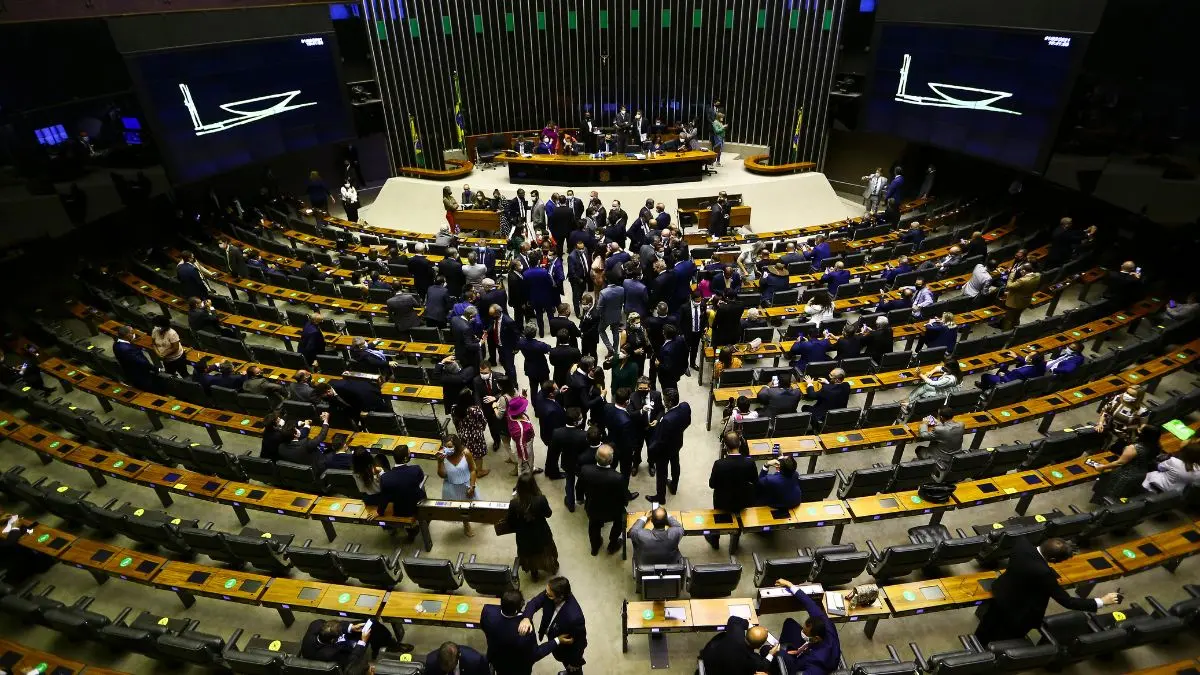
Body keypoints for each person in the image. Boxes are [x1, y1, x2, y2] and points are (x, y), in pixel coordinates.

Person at [974, 537, 1120, 647]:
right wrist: (1102, 601)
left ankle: (977, 643)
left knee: (988, 623)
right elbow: (1068, 602)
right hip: (1019, 609)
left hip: (1001, 593)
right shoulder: (1044, 574)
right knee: (1007, 636)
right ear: (1053, 559)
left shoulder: (1021, 544)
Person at [518, 577, 587, 673]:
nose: (545, 595)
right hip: (554, 638)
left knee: (573, 670)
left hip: (565, 651)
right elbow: (534, 603)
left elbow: (580, 643)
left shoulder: (575, 618)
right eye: (546, 592)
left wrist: (574, 663)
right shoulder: (550, 591)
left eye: (550, 595)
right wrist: (526, 618)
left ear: (560, 597)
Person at [773, 579, 841, 675]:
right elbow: (809, 603)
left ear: (816, 638)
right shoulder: (825, 622)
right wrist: (790, 585)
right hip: (809, 649)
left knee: (770, 651)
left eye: (805, 633)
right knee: (790, 623)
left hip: (802, 663)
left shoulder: (817, 663)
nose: (802, 632)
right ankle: (786, 647)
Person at [481, 589, 557, 675]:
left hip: (496, 661)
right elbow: (534, 654)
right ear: (516, 610)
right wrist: (556, 641)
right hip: (518, 669)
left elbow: (483, 627)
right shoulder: (525, 630)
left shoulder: (487, 611)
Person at [705, 432, 757, 552]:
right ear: (739, 444)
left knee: (717, 517)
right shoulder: (749, 462)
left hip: (723, 501)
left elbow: (712, 485)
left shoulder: (719, 464)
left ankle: (715, 540)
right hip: (743, 500)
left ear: (725, 446)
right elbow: (755, 481)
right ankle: (735, 542)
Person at [579, 445, 632, 555]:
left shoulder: (585, 470)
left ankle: (595, 547)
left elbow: (579, 487)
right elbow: (624, 496)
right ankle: (613, 544)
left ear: (596, 457)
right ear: (611, 460)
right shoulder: (618, 477)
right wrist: (625, 502)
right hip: (612, 511)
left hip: (593, 507)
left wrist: (580, 498)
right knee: (621, 519)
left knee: (593, 525)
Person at [506, 473, 559, 580]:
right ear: (534, 485)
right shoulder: (541, 499)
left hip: (524, 537)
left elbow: (510, 522)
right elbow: (548, 514)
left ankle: (534, 573)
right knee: (546, 552)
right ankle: (552, 568)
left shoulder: (514, 503)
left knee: (529, 555)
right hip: (542, 534)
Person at [1091, 423, 1160, 504]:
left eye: (1140, 429)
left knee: (1113, 494)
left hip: (1125, 475)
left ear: (1143, 434)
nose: (1137, 429)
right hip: (1140, 475)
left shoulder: (1134, 448)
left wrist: (1102, 467)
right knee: (1125, 495)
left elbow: (1120, 463)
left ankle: (1105, 507)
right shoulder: (1156, 447)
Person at [646, 388, 689, 503]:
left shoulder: (666, 420)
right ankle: (674, 486)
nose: (663, 401)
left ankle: (660, 497)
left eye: (664, 400)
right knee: (675, 464)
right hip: (677, 443)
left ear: (669, 402)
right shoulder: (685, 406)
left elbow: (660, 440)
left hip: (664, 449)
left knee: (661, 472)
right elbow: (688, 422)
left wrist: (651, 449)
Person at [698, 613, 776, 675]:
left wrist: (751, 627)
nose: (766, 629)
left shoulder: (735, 634)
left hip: (709, 662)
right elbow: (763, 666)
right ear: (758, 646)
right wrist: (771, 653)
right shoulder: (754, 660)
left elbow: (733, 619)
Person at [301, 619, 399, 666]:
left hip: (337, 642)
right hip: (344, 651)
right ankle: (377, 649)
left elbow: (338, 625)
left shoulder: (317, 623)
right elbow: (351, 660)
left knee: (372, 623)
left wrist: (351, 627)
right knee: (368, 636)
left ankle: (388, 643)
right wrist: (362, 642)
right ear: (333, 640)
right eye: (340, 633)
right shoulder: (329, 654)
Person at [375, 446, 426, 536]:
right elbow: (420, 479)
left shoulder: (385, 477)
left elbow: (385, 497)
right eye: (409, 453)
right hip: (417, 505)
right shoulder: (416, 469)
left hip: (400, 509)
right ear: (405, 458)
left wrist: (379, 511)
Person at [554, 409, 588, 512]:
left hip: (567, 462)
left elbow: (555, 451)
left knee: (569, 482)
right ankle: (580, 498)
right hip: (580, 464)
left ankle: (570, 504)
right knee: (582, 481)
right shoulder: (584, 435)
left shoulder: (558, 432)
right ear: (576, 422)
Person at [452, 388, 490, 478]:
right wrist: (482, 428)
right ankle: (479, 471)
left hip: (463, 434)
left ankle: (470, 468)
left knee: (467, 451)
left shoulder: (454, 408)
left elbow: (454, 421)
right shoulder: (475, 409)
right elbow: (483, 421)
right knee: (478, 454)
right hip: (475, 435)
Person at [1097, 385, 1148, 451]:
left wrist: (1140, 429)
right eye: (1127, 392)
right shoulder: (1117, 398)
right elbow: (1106, 411)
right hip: (1108, 427)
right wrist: (1100, 423)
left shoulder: (1142, 410)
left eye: (1131, 395)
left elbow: (1143, 424)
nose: (1127, 395)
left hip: (1124, 436)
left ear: (1138, 397)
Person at [112, 325, 158, 391]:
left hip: (129, 372)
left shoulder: (116, 344)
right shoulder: (127, 349)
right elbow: (142, 362)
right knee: (150, 389)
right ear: (127, 335)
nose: (134, 334)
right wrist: (156, 369)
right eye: (132, 333)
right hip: (140, 375)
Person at [1001, 262, 1040, 329]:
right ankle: (1015, 330)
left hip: (1014, 303)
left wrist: (1012, 274)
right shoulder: (1037, 275)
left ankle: (1006, 333)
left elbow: (1009, 286)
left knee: (1009, 319)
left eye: (1021, 270)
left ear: (1024, 271)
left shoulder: (1022, 280)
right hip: (1025, 301)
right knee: (1017, 317)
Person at [977, 352, 1046, 390]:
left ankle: (984, 388)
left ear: (1031, 360)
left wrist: (1002, 375)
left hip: (1008, 382)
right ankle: (993, 384)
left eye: (1028, 355)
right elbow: (1029, 363)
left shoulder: (1020, 372)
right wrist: (1016, 357)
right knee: (1004, 366)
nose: (1027, 355)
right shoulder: (1041, 365)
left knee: (985, 376)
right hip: (1021, 378)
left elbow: (1009, 382)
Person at [507, 392, 537, 476]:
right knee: (524, 467)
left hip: (521, 441)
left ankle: (531, 468)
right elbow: (520, 445)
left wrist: (523, 397)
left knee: (529, 461)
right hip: (523, 446)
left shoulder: (510, 414)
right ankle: (524, 481)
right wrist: (524, 458)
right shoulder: (519, 428)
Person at [424, 641, 488, 675]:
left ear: (459, 656)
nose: (448, 671)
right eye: (445, 669)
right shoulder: (431, 662)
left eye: (450, 668)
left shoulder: (476, 661)